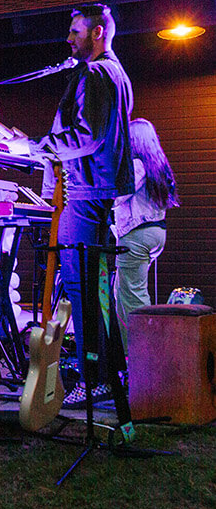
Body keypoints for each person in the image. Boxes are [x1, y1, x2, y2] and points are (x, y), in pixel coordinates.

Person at [27, 4, 134, 403]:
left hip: (85, 193)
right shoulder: (118, 73)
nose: (68, 39)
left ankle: (96, 381)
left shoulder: (94, 72)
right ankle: (110, 374)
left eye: (75, 31)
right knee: (97, 291)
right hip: (99, 191)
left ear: (97, 34)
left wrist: (39, 147)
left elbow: (86, 136)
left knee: (83, 290)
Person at [113, 118, 179, 348]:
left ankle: (145, 354)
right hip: (154, 231)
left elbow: (117, 196)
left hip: (137, 233)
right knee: (123, 291)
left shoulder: (137, 164)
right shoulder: (157, 163)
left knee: (132, 295)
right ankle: (130, 352)